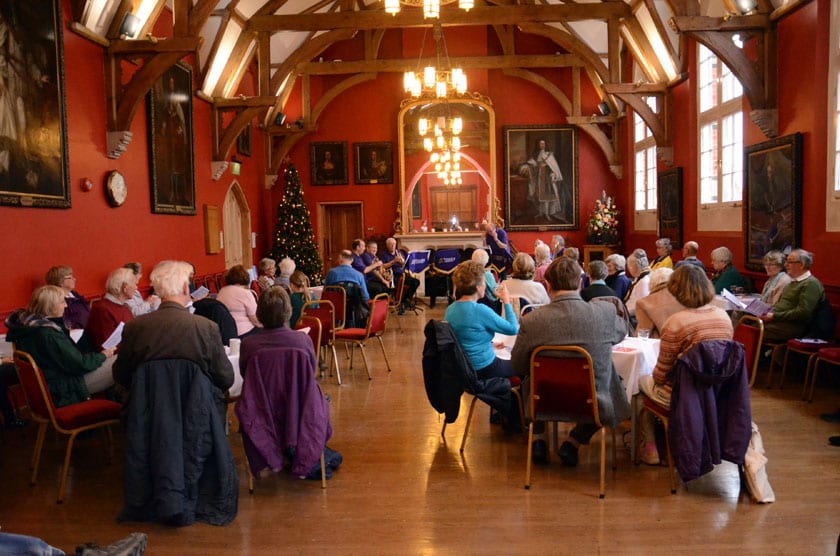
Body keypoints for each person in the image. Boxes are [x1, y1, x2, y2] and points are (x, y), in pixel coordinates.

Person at [510, 257, 630, 466]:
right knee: (610, 381)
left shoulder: (532, 320)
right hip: (593, 403)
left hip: (543, 401)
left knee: (532, 377)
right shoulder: (604, 313)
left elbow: (518, 366)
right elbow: (622, 333)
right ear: (580, 283)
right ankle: (574, 441)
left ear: (548, 286)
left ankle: (538, 438)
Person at [637, 264, 733, 465]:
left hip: (683, 394)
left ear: (675, 290)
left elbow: (661, 374)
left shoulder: (676, 323)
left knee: (639, 387)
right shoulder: (723, 317)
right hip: (718, 390)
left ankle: (651, 447)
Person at [113, 260, 234, 399]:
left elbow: (121, 376)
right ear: (185, 288)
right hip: (197, 409)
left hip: (148, 410)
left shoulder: (133, 328)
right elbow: (225, 378)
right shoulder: (206, 327)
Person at [5, 285, 115, 407]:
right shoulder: (48, 334)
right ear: (50, 307)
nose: (66, 306)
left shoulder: (27, 326)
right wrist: (103, 355)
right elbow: (80, 364)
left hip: (54, 383)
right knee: (123, 360)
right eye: (62, 302)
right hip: (66, 387)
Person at [444, 261, 518, 379]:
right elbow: (513, 329)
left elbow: (465, 337)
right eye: (484, 282)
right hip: (483, 367)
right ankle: (516, 396)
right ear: (478, 287)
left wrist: (489, 344)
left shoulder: (450, 309)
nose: (485, 285)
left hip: (463, 369)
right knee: (523, 365)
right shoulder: (480, 310)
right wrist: (506, 300)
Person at [239, 287, 315, 377]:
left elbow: (245, 375)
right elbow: (311, 371)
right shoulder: (303, 340)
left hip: (260, 390)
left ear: (259, 312)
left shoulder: (248, 344)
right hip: (297, 390)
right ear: (288, 310)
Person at [761, 248, 825, 342]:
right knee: (747, 323)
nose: (786, 265)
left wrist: (774, 316)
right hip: (780, 321)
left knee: (754, 330)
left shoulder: (811, 284)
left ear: (802, 265)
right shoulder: (793, 282)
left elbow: (802, 313)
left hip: (795, 326)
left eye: (790, 262)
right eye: (786, 261)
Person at [83, 267, 135, 351]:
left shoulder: (124, 307)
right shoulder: (102, 309)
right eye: (134, 284)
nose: (136, 287)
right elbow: (105, 346)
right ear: (124, 287)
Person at [520, 139, 566, 221]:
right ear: (538, 145)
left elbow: (554, 167)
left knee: (547, 196)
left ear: (545, 144)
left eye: (543, 144)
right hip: (539, 178)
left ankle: (547, 214)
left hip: (547, 179)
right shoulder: (536, 155)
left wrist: (553, 174)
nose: (542, 145)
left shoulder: (549, 155)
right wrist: (528, 167)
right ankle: (541, 212)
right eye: (540, 144)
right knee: (539, 196)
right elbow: (533, 166)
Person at [634, 267, 684, 338]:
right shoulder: (684, 297)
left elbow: (643, 333)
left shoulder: (644, 303)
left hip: (660, 345)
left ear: (652, 283)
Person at [216, 264, 261, 338]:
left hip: (225, 332)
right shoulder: (246, 293)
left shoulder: (222, 291)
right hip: (244, 332)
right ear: (246, 277)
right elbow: (254, 318)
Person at [380, 237, 419, 314]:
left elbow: (404, 265)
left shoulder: (399, 253)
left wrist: (402, 262)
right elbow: (383, 266)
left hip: (402, 274)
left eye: (394, 244)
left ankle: (405, 301)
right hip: (392, 275)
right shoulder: (384, 255)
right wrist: (394, 261)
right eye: (391, 244)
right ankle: (402, 304)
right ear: (387, 245)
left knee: (416, 282)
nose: (393, 246)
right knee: (398, 288)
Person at [45, 265, 90, 330]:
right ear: (60, 281)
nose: (74, 279)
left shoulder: (74, 294)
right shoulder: (58, 302)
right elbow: (67, 325)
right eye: (70, 277)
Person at [471, 248, 501, 313]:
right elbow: (495, 292)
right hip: (489, 305)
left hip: (473, 304)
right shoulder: (488, 275)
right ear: (486, 260)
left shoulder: (469, 273)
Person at [623, 249, 651, 317]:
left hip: (635, 317)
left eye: (629, 266)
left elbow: (640, 306)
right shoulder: (638, 278)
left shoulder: (644, 282)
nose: (629, 269)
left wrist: (623, 313)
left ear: (634, 266)